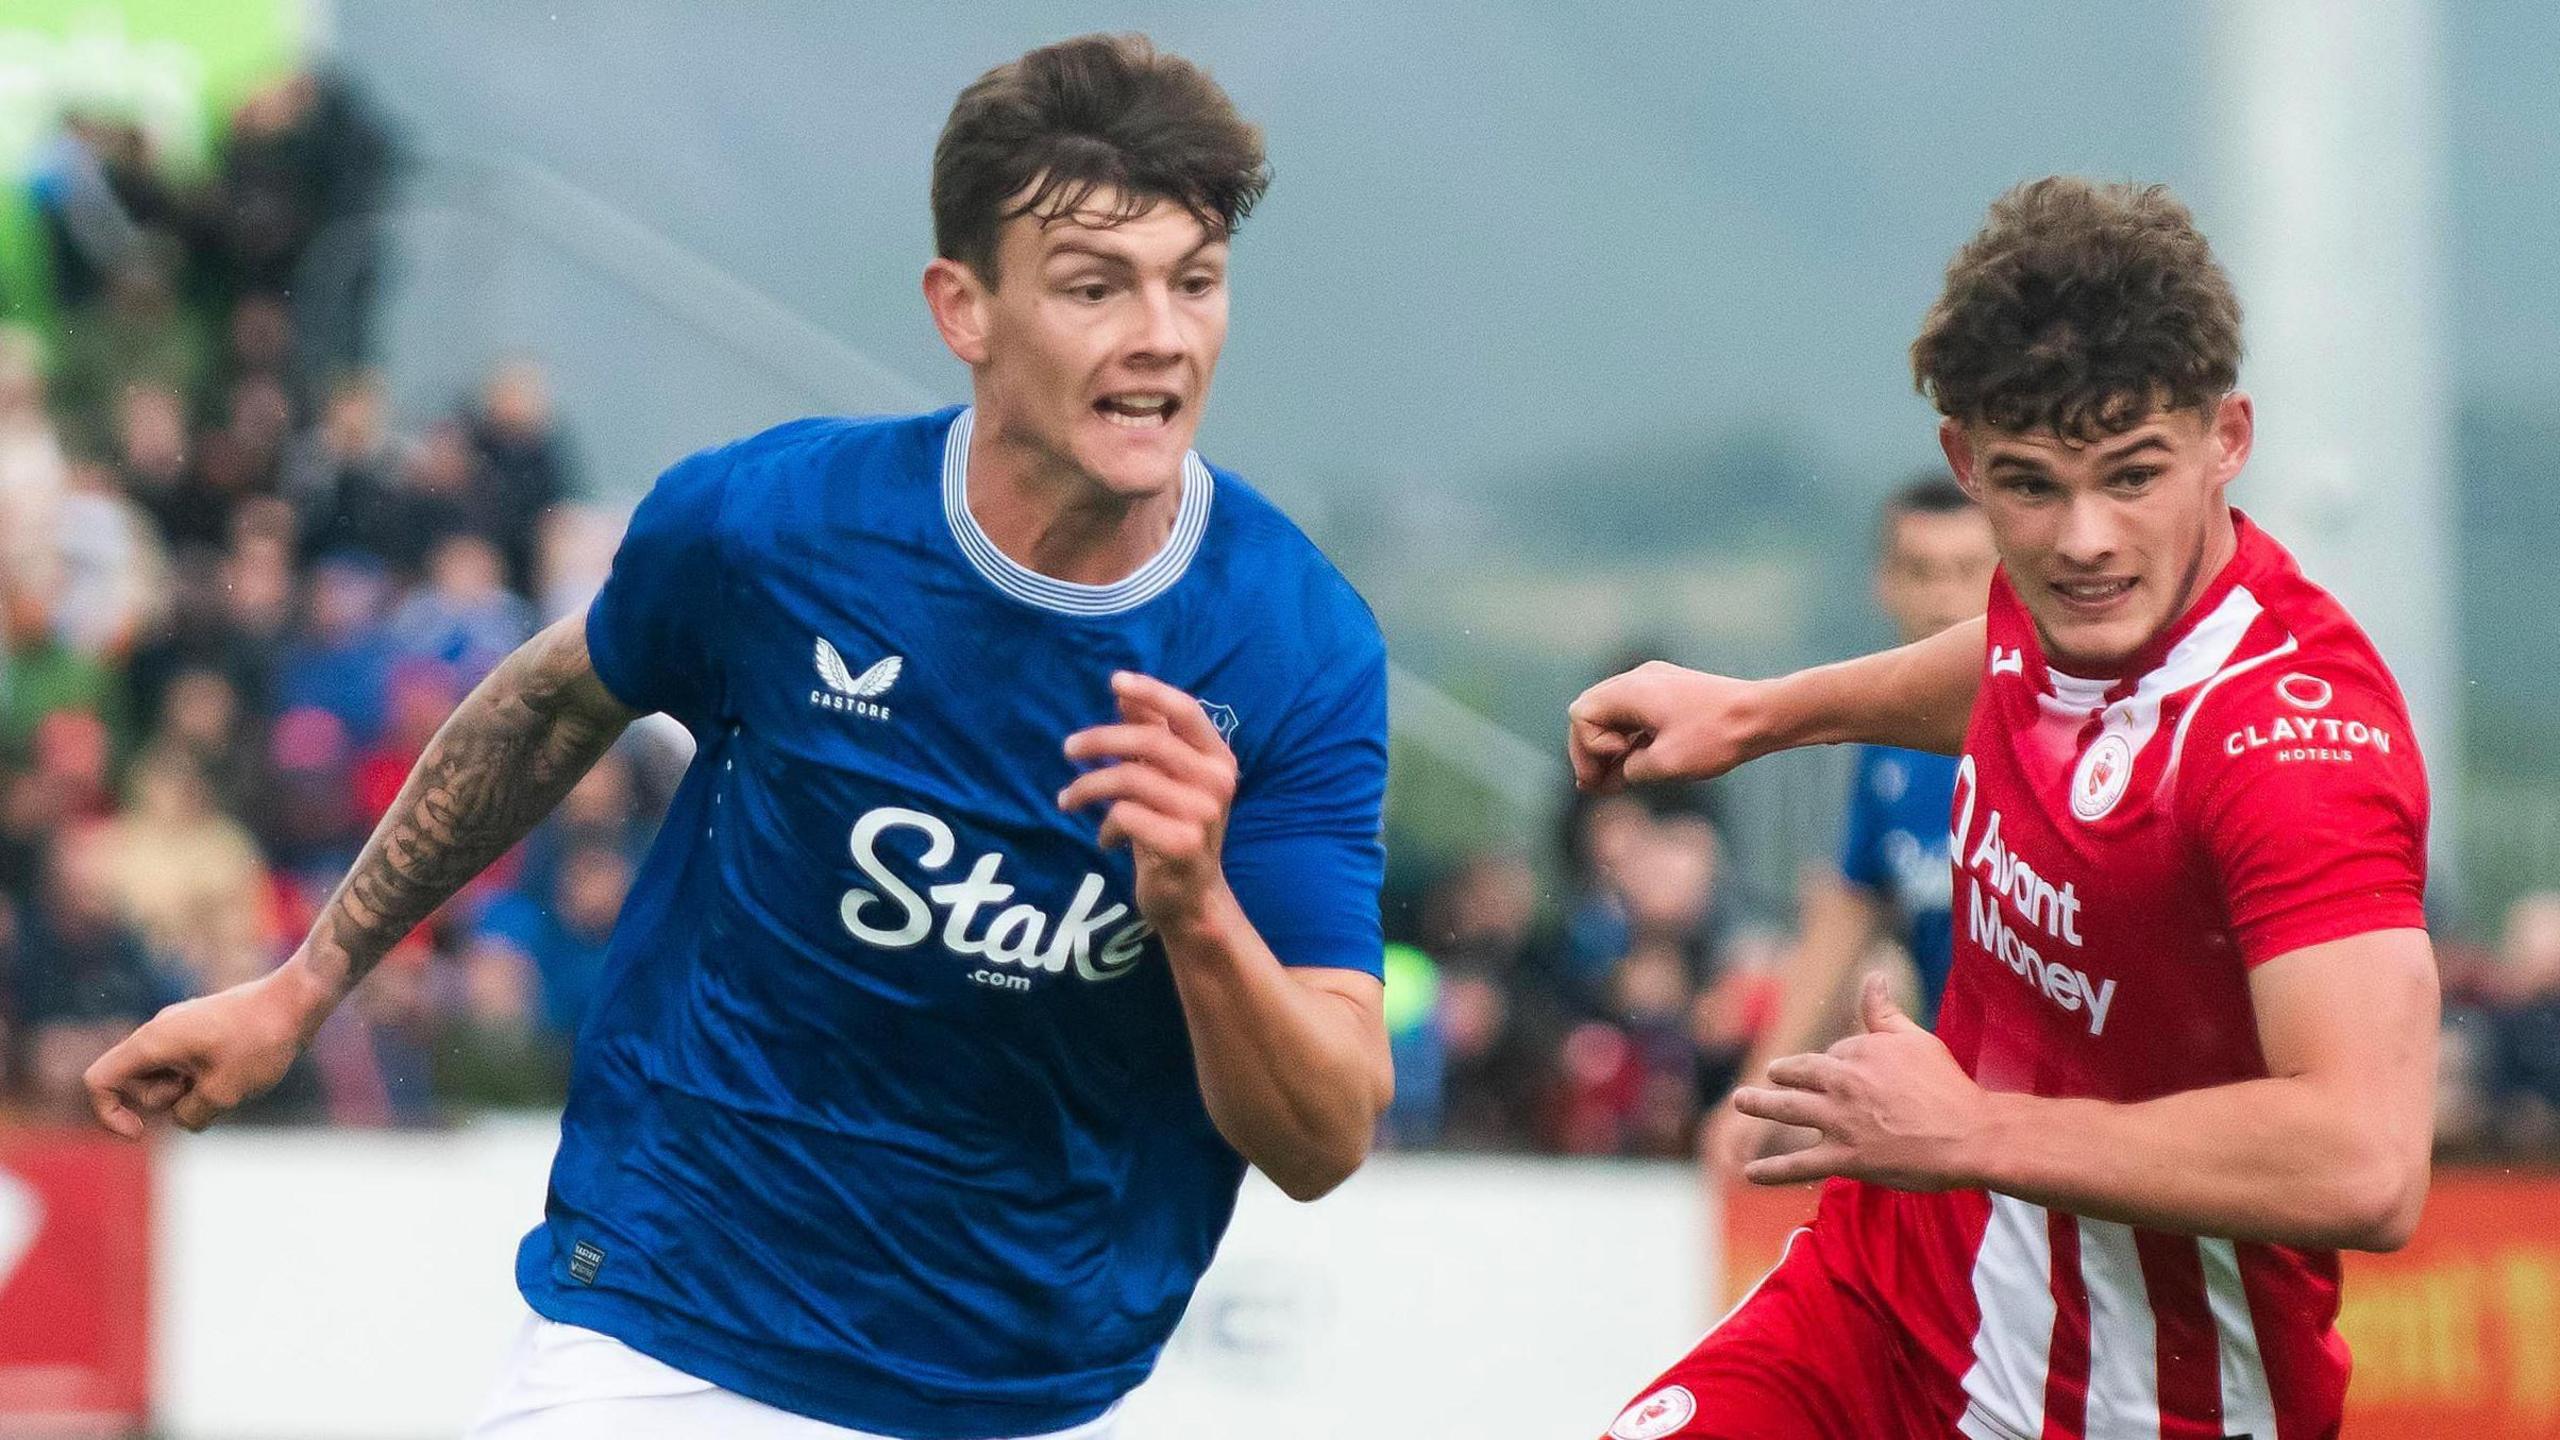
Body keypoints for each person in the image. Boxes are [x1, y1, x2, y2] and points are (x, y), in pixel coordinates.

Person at [84, 34, 1391, 1440]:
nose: (1162, 336)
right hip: (664, 1330)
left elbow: (1323, 1139)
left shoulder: (1295, 647)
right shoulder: (770, 526)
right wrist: (303, 987)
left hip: (1032, 1394)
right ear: (965, 308)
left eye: (1195, 282)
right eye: (1095, 287)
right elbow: (547, 702)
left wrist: (1197, 916)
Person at [1574, 178, 2434, 1440]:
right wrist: (1760, 714)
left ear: (2227, 438)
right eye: (2030, 486)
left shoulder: (2292, 746)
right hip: (1884, 1297)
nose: (2083, 539)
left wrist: (1970, 1127)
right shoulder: (2059, 602)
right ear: (1964, 463)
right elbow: (2002, 658)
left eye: (2133, 476)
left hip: (2141, 1399)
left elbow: (2367, 1162)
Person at [1704, 476, 1995, 1178]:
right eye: (1920, 572)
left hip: (2049, 1115)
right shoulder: (1888, 742)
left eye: (1966, 572)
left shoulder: (2052, 724)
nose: (1942, 598)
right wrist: (1761, 1089)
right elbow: (1850, 910)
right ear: (1883, 583)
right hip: (1952, 1116)